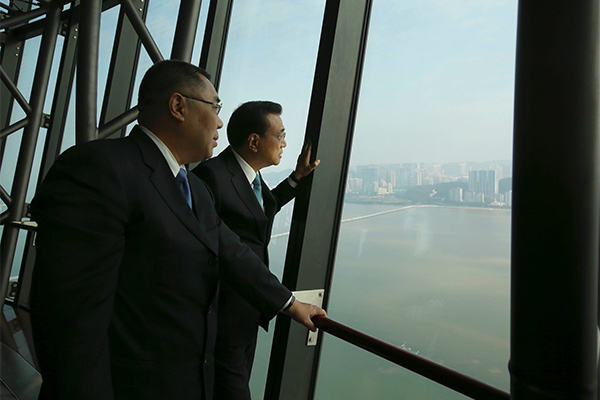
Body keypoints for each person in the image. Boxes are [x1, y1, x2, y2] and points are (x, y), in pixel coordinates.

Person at [29, 60, 326, 400]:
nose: (220, 121)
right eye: (215, 107)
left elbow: (231, 251)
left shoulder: (193, 189)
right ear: (178, 106)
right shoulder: (98, 169)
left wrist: (289, 303)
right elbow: (70, 322)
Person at [192, 101, 320, 400]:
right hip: (222, 316)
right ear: (253, 141)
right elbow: (229, 248)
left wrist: (295, 179)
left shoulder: (246, 176)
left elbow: (257, 213)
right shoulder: (211, 176)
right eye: (281, 135)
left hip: (245, 314)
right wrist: (287, 301)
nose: (285, 143)